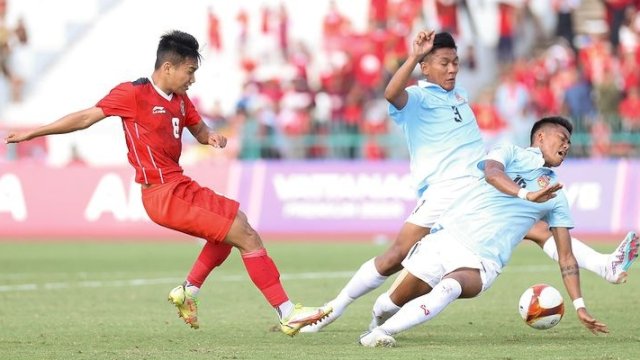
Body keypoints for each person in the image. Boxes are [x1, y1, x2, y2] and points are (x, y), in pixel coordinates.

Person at [301, 30, 638, 333]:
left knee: (532, 227)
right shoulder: (418, 97)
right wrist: (414, 56)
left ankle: (604, 265)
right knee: (395, 257)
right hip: (446, 189)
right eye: (444, 63)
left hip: (474, 185)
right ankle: (335, 308)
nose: (452, 69)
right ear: (427, 67)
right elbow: (391, 93)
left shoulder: (458, 95)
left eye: (456, 63)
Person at [3, 30, 331, 337]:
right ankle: (287, 312)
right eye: (189, 71)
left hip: (178, 186)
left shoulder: (181, 99)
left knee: (236, 225)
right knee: (245, 234)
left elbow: (200, 130)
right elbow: (86, 117)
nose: (193, 78)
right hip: (162, 194)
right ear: (169, 67)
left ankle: (189, 291)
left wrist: (211, 137)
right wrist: (35, 132)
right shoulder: (133, 94)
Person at [360, 116, 616, 347]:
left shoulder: (556, 194)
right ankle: (377, 321)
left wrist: (579, 305)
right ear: (540, 137)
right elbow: (492, 173)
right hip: (446, 240)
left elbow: (566, 256)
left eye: (569, 142)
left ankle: (382, 333)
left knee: (450, 287)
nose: (567, 146)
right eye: (562, 138)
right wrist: (526, 195)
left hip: (484, 261)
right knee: (388, 304)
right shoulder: (509, 152)